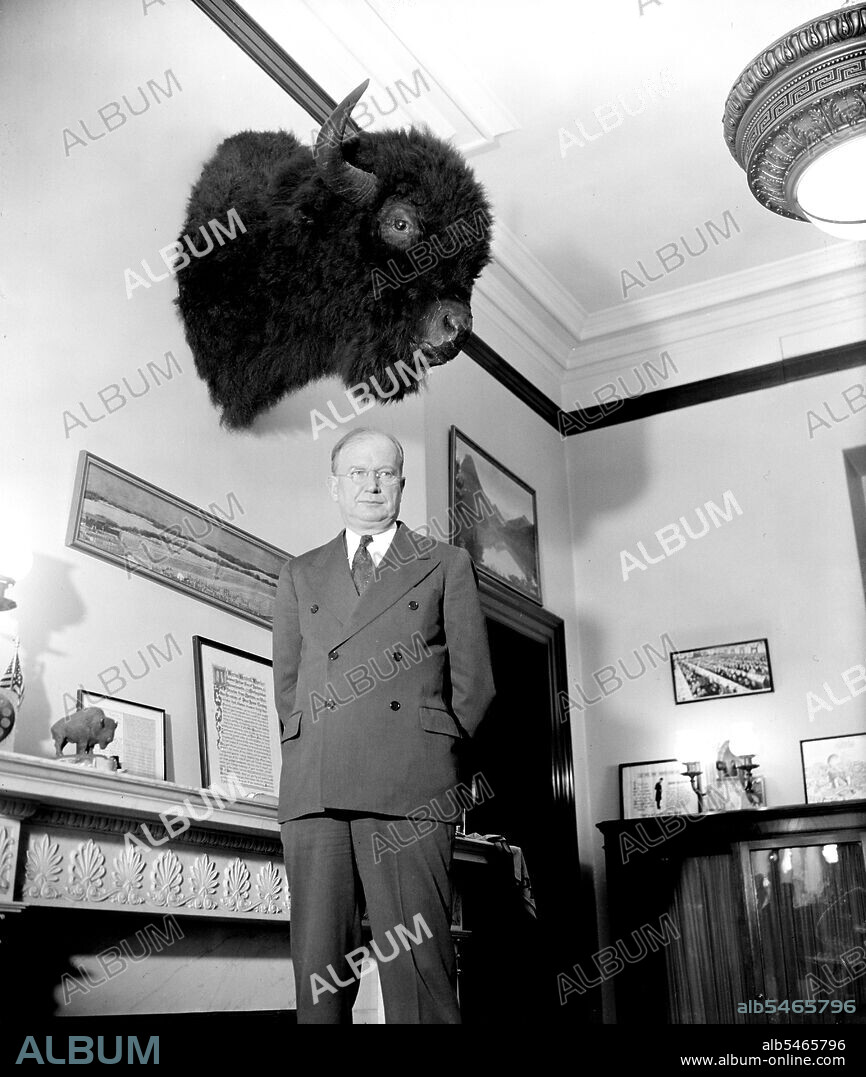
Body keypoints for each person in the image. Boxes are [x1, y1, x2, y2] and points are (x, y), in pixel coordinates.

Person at [272, 427, 495, 1024]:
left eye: (384, 473)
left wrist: (433, 757)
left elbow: (475, 685)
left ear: (400, 482)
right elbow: (289, 689)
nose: (371, 484)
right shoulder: (299, 573)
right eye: (357, 473)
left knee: (421, 975)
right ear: (335, 486)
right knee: (319, 984)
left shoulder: (445, 562)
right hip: (316, 790)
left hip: (410, 788)